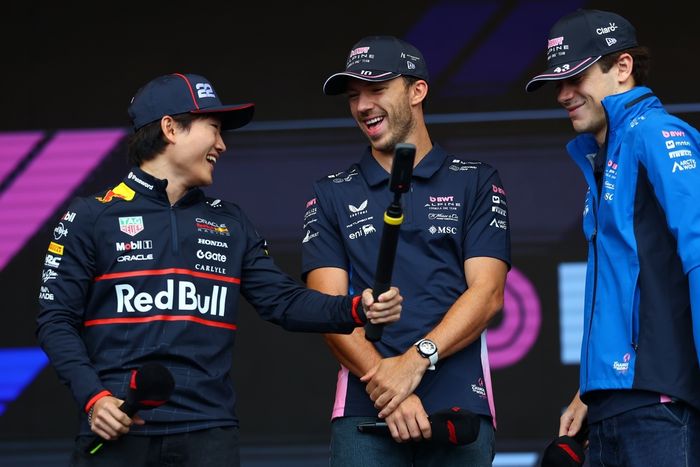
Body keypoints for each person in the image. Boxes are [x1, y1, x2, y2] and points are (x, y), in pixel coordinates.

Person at [35, 72, 404, 467]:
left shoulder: (230, 222)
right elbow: (56, 320)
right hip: (118, 427)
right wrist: (95, 399)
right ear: (170, 128)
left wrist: (357, 308)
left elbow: (282, 302)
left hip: (208, 434)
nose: (222, 145)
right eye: (213, 128)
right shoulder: (91, 216)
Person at [301, 36, 511, 466]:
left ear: (417, 91)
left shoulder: (475, 180)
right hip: (367, 406)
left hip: (459, 405)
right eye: (353, 95)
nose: (363, 106)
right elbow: (327, 309)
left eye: (377, 89)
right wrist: (389, 386)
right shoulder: (330, 193)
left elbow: (488, 293)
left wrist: (415, 362)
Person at [526, 9, 700, 466]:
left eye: (576, 77)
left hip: (660, 405)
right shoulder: (603, 156)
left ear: (622, 67)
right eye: (557, 83)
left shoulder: (657, 133)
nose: (563, 94)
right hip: (612, 408)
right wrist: (592, 386)